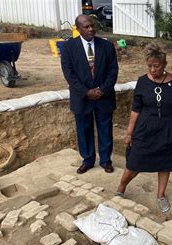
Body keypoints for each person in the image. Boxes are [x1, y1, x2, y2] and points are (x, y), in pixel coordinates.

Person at [116, 43, 172, 213]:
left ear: (164, 64)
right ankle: (121, 187)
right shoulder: (142, 82)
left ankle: (161, 195)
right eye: (149, 66)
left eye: (156, 66)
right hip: (145, 129)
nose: (152, 70)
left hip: (170, 130)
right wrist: (129, 133)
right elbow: (135, 109)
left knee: (165, 163)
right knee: (135, 162)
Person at [61, 14, 118, 174]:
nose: (91, 29)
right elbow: (69, 74)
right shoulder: (68, 48)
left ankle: (106, 160)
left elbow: (113, 71)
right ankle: (88, 160)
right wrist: (86, 92)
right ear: (78, 29)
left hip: (103, 96)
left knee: (105, 129)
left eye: (92, 25)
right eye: (86, 27)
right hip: (82, 98)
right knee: (83, 129)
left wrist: (102, 90)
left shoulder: (106, 46)